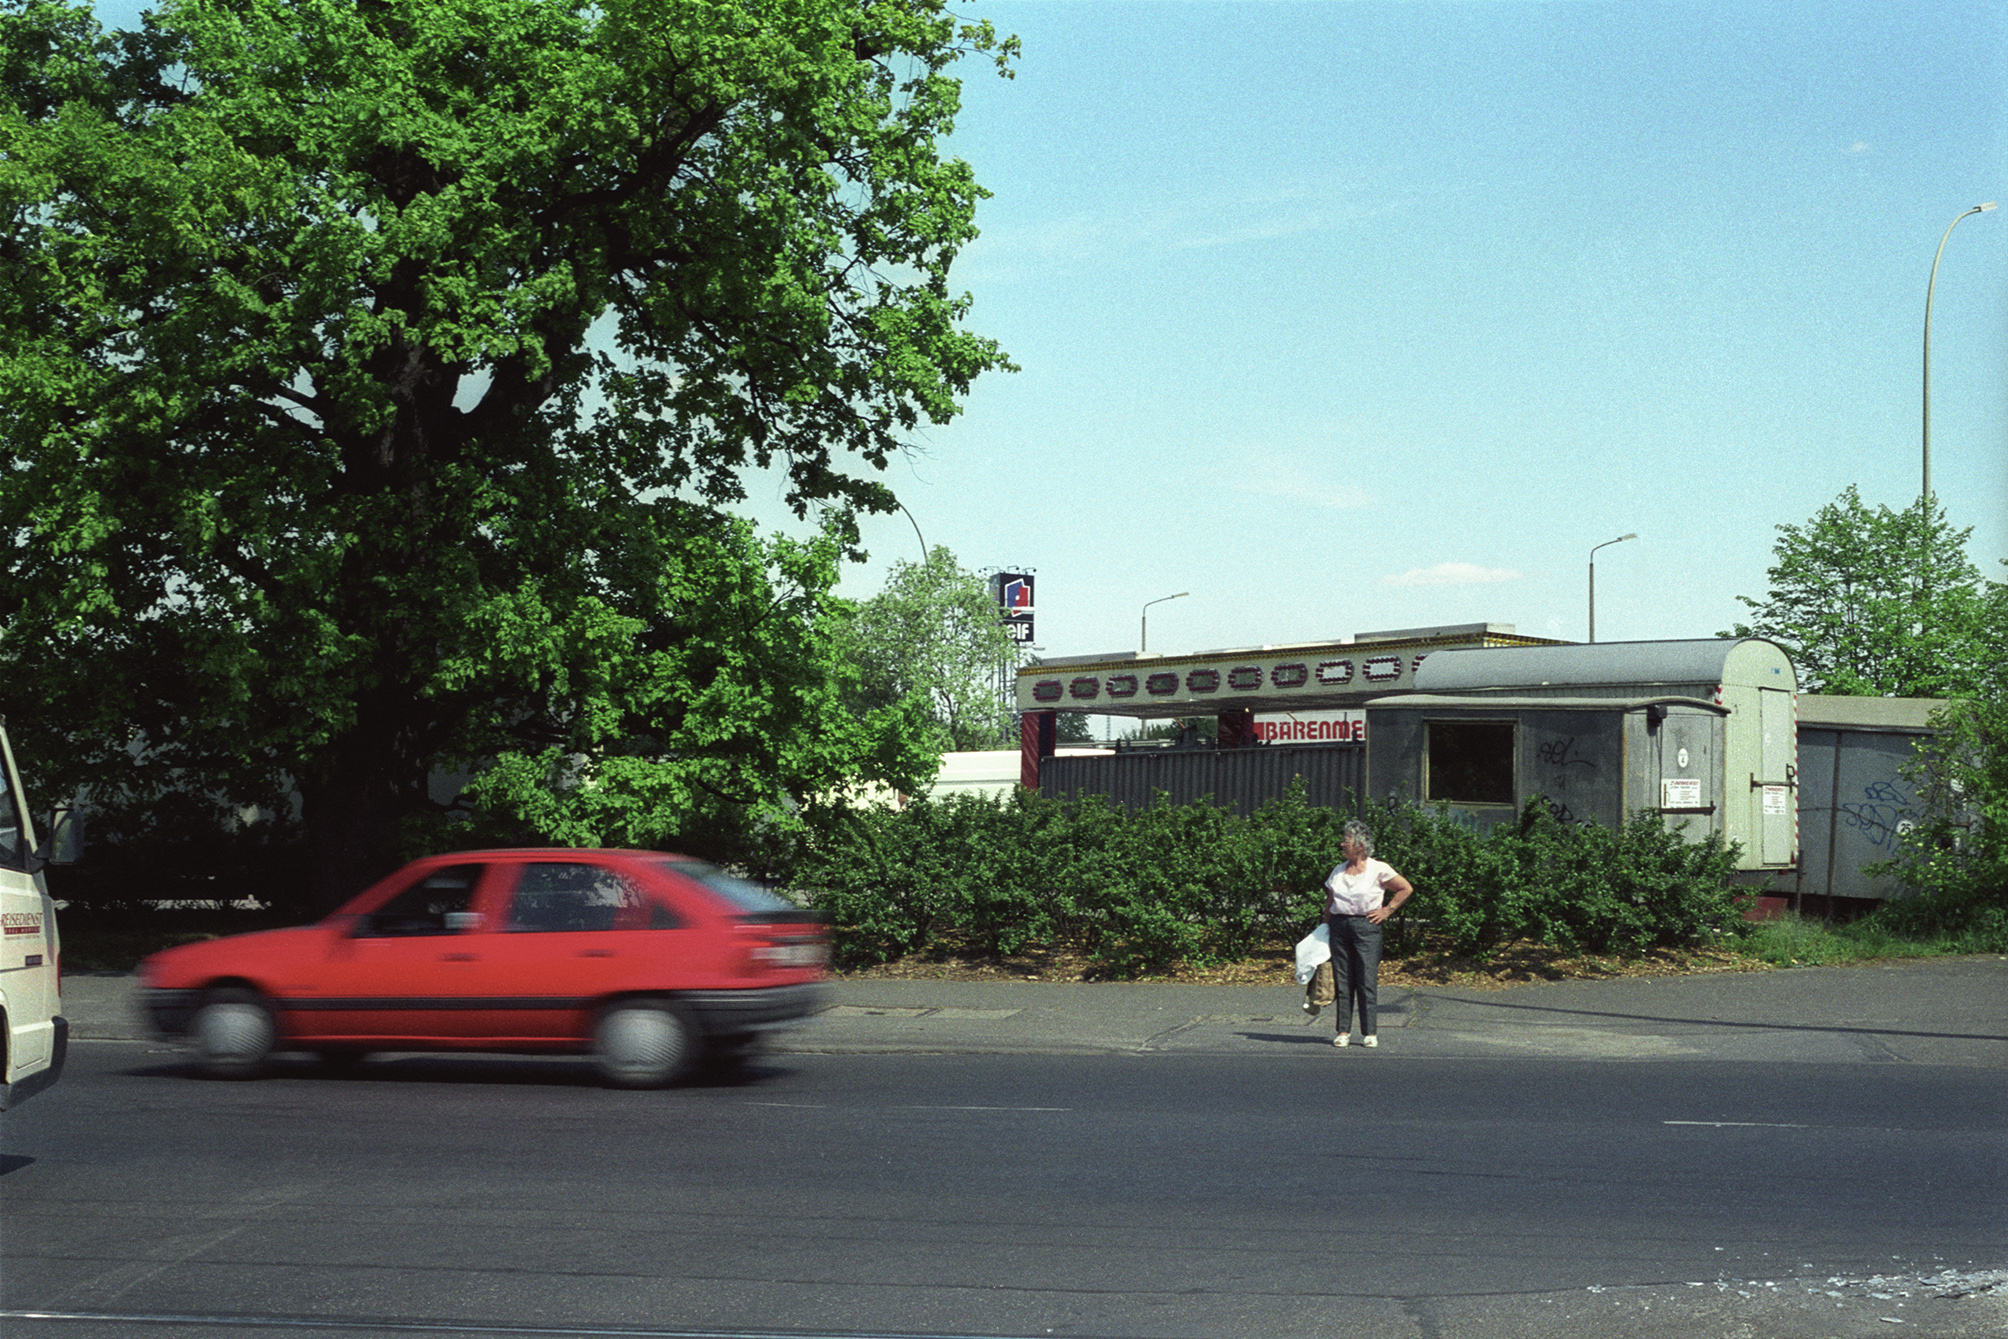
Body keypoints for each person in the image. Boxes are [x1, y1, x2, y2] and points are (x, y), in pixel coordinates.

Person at [1304, 819, 1413, 1048]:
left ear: (1360, 845)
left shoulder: (1378, 869)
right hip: (1339, 926)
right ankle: (1343, 1031)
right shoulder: (1338, 870)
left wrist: (1387, 910)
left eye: (1346, 841)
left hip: (1367, 927)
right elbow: (1330, 900)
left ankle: (1369, 1032)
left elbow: (1405, 888)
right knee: (1342, 980)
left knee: (1365, 979)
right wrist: (1325, 926)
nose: (1342, 844)